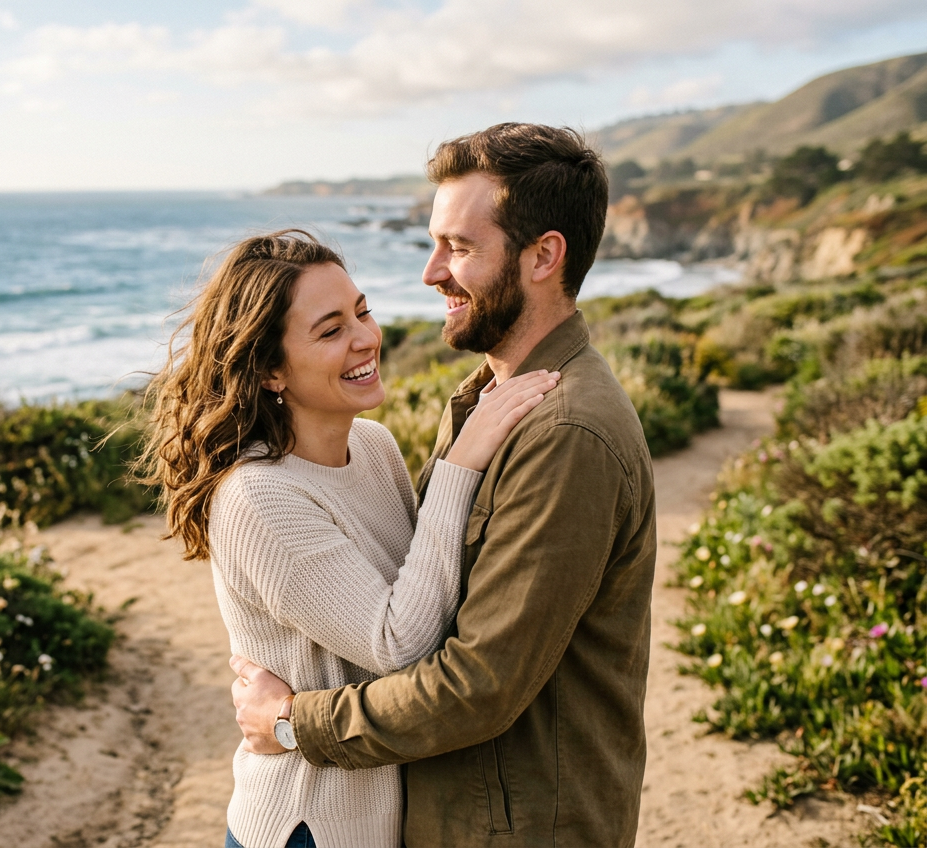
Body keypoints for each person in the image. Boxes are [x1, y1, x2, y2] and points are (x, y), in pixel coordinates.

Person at [229, 124, 657, 848]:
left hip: (517, 826)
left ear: (543, 257)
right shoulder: (486, 402)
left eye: (458, 247)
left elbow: (477, 684)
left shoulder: (561, 434)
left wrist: (290, 721)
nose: (431, 273)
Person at [139, 228, 560, 848]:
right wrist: (460, 465)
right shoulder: (260, 498)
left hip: (382, 817)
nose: (365, 339)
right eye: (331, 330)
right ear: (270, 370)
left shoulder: (374, 446)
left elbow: (432, 589)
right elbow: (401, 643)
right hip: (310, 826)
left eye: (362, 311)